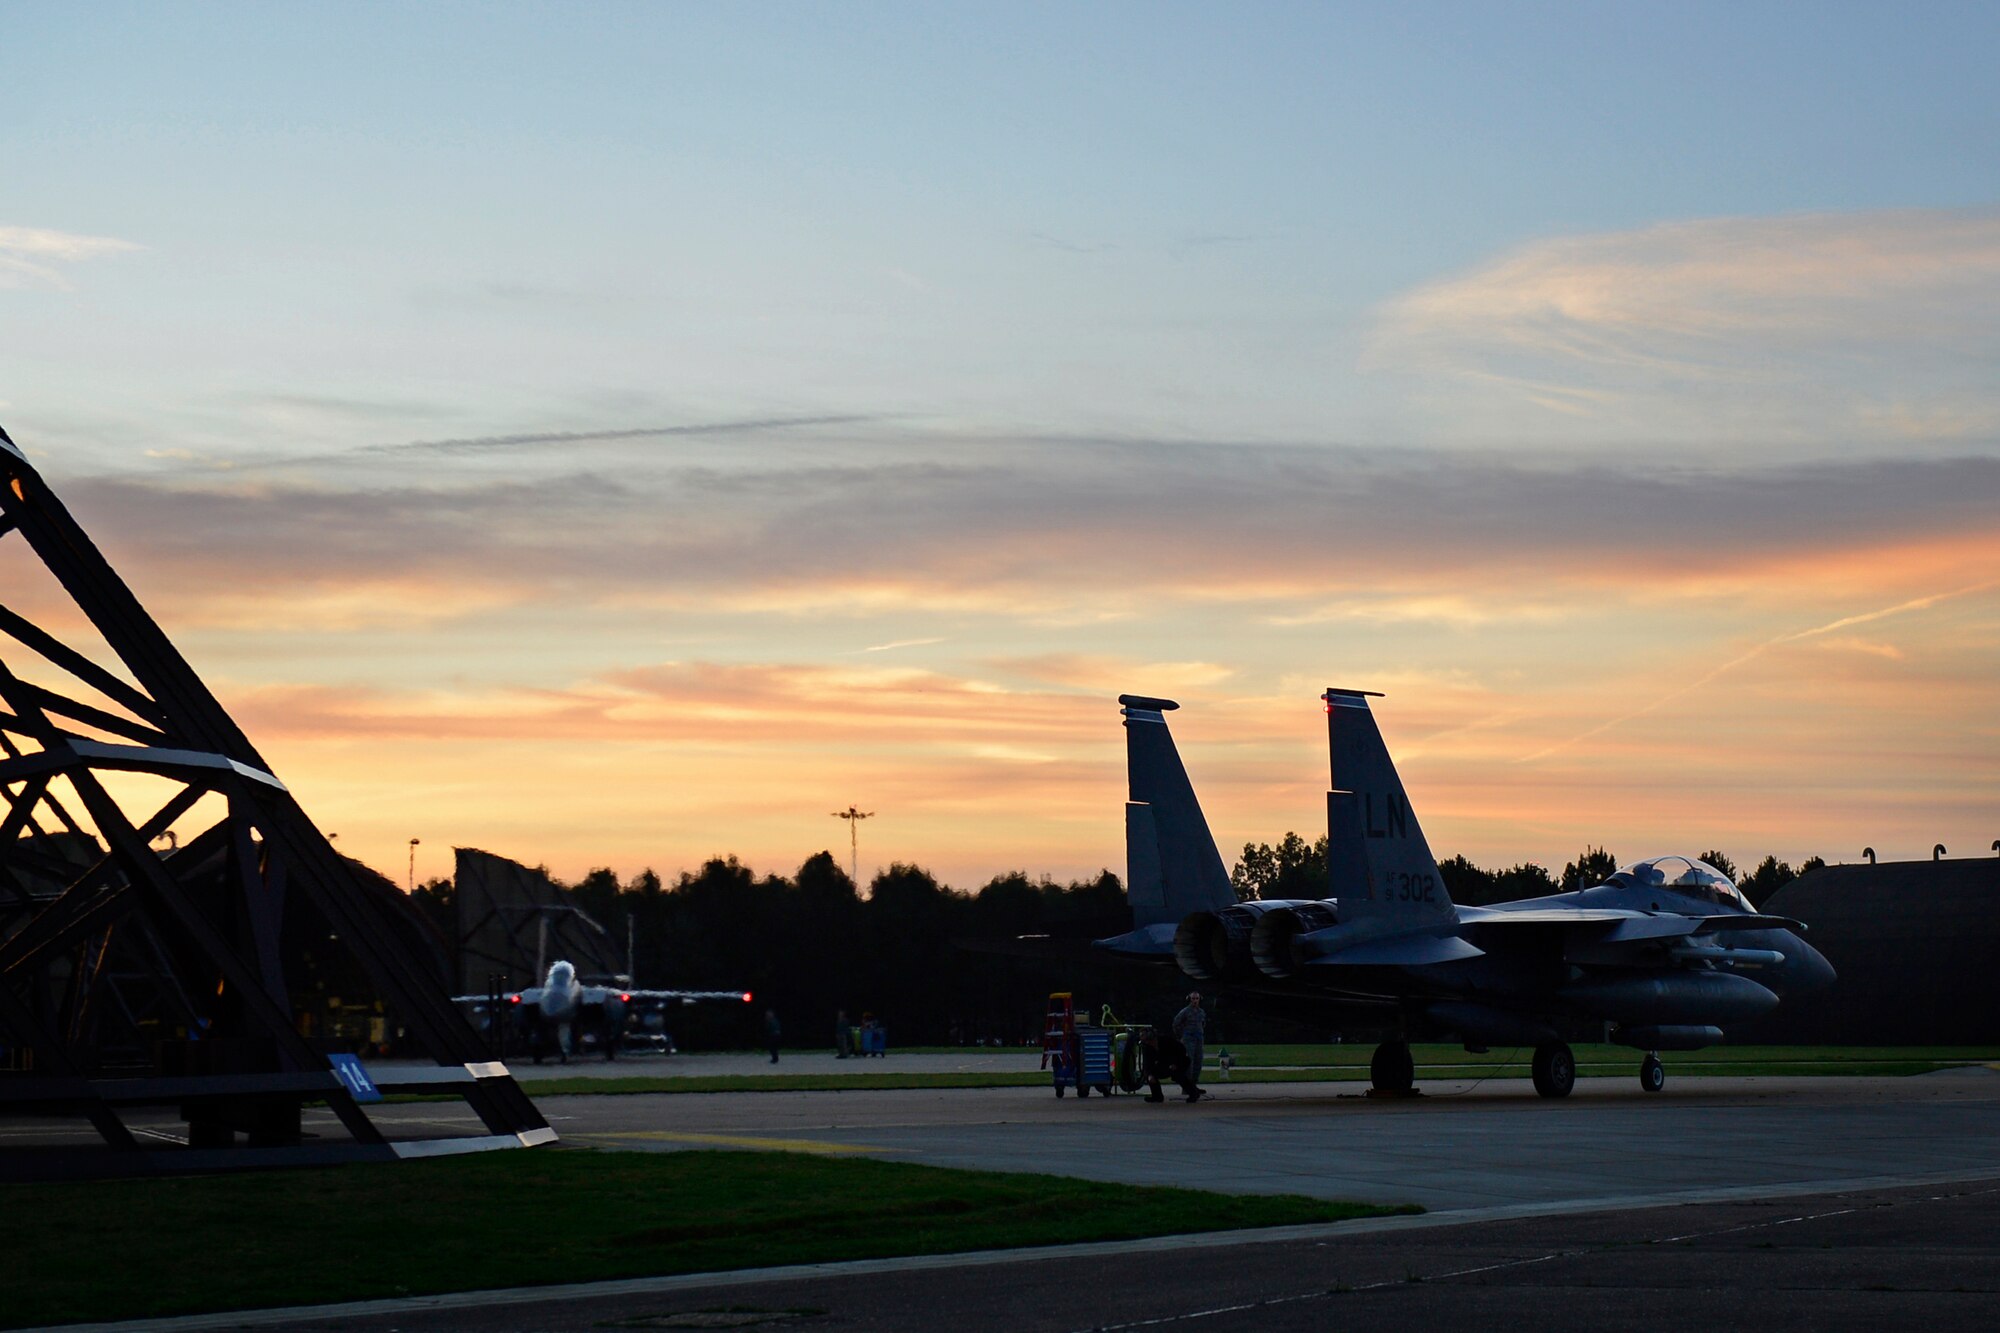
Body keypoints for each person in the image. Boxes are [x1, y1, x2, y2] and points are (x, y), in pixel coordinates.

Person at [1172, 991, 1207, 1101]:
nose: (1195, 1001)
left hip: (1199, 1038)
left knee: (1198, 1061)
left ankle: (1194, 1085)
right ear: (1189, 999)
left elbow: (1203, 1024)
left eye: (1197, 998)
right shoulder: (1185, 1012)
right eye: (1193, 999)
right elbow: (1176, 1023)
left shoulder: (1201, 1012)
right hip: (1188, 1038)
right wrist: (1181, 1036)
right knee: (1189, 1063)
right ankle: (1187, 1087)